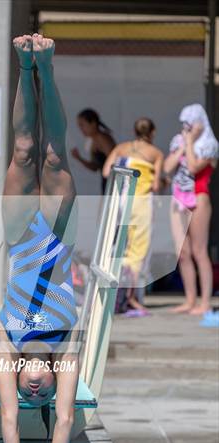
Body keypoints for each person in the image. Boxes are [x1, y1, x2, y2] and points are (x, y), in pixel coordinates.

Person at [0, 33, 80, 443]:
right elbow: (64, 418)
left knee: (25, 149)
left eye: (32, 393)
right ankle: (45, 68)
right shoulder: (67, 351)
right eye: (42, 392)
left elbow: (9, 417)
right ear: (52, 379)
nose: (34, 391)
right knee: (53, 154)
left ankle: (24, 66)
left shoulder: (7, 347)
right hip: (59, 233)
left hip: (19, 235)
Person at [103, 118, 163, 315]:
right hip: (141, 202)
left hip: (120, 202)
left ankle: (117, 295)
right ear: (152, 132)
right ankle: (130, 298)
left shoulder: (121, 148)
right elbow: (155, 186)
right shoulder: (156, 154)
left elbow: (106, 172)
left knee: (120, 247)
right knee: (138, 251)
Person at [164, 103, 218, 315]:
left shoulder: (209, 145)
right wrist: (182, 146)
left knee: (199, 251)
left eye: (190, 123)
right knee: (183, 252)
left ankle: (204, 302)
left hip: (198, 197)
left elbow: (195, 167)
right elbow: (167, 169)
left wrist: (189, 141)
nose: (186, 127)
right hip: (177, 199)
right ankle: (189, 299)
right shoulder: (178, 142)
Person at [71, 108, 116, 194]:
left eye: (82, 125)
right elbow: (95, 167)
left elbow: (115, 163)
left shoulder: (102, 138)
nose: (81, 129)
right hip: (106, 181)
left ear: (93, 124)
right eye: (79, 126)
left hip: (113, 182)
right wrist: (79, 158)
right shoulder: (92, 140)